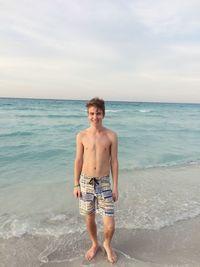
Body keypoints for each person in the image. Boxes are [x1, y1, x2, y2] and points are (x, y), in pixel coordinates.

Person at [73, 97, 119, 263]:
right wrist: (76, 183)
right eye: (92, 113)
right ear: (88, 115)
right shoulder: (82, 135)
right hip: (86, 182)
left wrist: (115, 186)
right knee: (89, 217)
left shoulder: (111, 135)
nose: (95, 117)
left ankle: (107, 243)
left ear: (103, 114)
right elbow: (78, 160)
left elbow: (114, 161)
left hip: (104, 182)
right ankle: (95, 244)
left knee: (110, 225)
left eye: (98, 113)